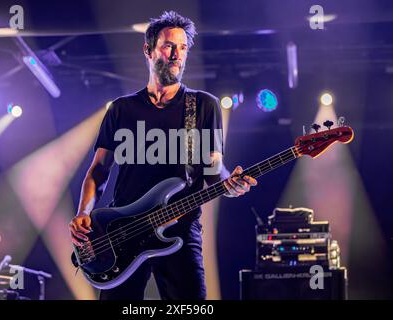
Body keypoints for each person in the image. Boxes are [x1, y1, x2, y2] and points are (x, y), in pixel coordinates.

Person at [69, 11, 257, 300]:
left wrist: (230, 183)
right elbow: (98, 171)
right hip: (122, 231)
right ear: (148, 49)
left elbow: (213, 170)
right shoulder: (121, 109)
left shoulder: (204, 106)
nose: (176, 55)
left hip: (180, 230)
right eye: (169, 46)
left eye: (182, 48)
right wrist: (83, 212)